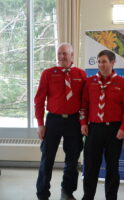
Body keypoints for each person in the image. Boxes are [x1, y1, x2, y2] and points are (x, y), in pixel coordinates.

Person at [35, 43, 86, 200]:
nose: (62, 56)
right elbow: (39, 100)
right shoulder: (48, 74)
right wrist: (40, 124)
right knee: (47, 159)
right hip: (53, 121)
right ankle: (42, 193)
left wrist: (84, 123)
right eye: (59, 53)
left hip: (73, 121)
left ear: (72, 55)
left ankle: (67, 191)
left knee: (72, 159)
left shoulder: (80, 74)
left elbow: (85, 102)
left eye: (65, 53)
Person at [80, 50, 124, 200]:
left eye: (104, 61)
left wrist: (123, 128)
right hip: (94, 129)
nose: (101, 65)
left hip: (114, 130)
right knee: (90, 166)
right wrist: (83, 123)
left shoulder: (121, 82)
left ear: (112, 62)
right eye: (99, 61)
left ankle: (111, 197)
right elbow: (84, 106)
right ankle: (88, 196)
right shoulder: (90, 82)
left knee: (112, 167)